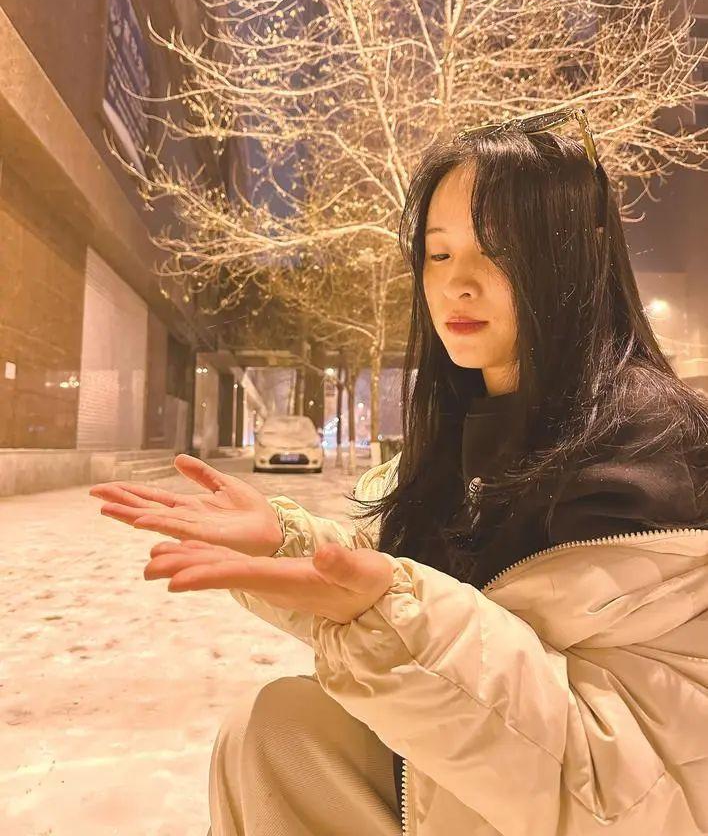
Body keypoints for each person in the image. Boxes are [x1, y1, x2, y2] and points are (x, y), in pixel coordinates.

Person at [91, 107, 708, 836]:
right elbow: (442, 596)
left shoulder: (651, 455)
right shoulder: (466, 426)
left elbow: (638, 789)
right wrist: (288, 544)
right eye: (438, 254)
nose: (457, 284)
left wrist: (390, 614)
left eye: (500, 250)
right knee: (273, 729)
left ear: (576, 257)